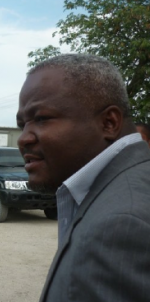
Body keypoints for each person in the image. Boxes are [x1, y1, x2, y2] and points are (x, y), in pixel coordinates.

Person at [16, 53, 150, 302]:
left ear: (109, 122)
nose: (23, 138)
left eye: (42, 118)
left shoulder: (122, 225)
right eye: (21, 124)